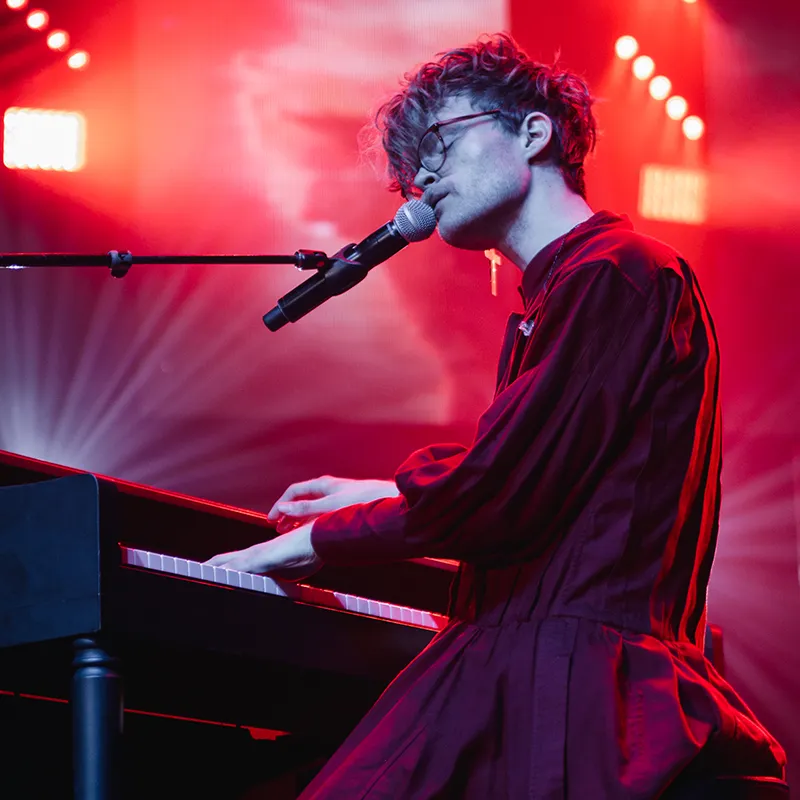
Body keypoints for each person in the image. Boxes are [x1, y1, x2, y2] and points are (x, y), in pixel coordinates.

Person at [207, 33, 787, 798]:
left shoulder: (615, 274)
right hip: (537, 656)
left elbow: (501, 498)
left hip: (570, 679)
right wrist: (378, 492)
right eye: (413, 163)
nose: (421, 177)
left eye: (440, 142)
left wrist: (309, 544)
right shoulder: (574, 288)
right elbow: (554, 483)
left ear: (534, 131)